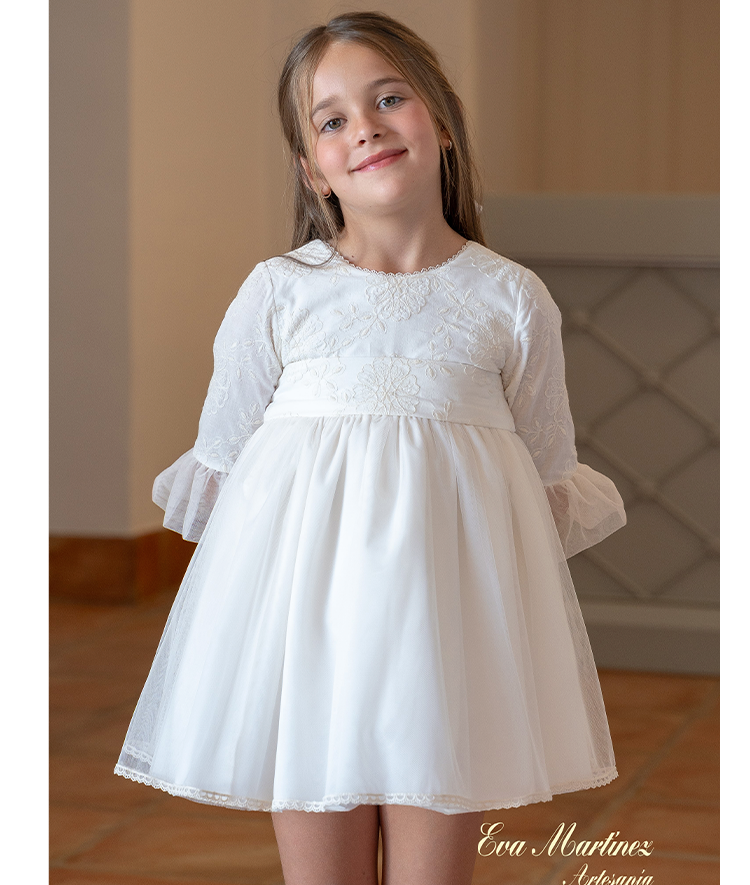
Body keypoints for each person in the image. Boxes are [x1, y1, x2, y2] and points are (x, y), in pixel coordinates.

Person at [115, 11, 627, 885]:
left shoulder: (510, 299)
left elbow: (543, 486)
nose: (366, 127)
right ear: (312, 170)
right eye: (333, 118)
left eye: (390, 99)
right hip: (308, 644)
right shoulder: (279, 294)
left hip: (448, 644)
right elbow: (225, 478)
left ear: (443, 123)